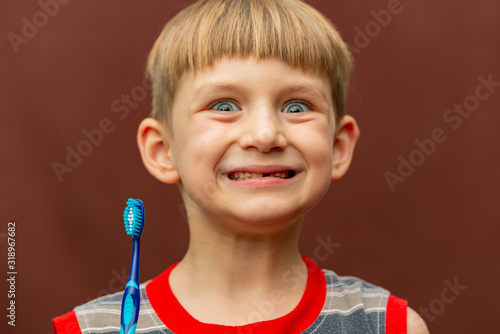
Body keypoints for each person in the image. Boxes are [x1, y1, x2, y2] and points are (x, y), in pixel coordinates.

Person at [52, 0, 429, 333]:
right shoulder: (90, 330)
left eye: (296, 107)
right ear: (162, 150)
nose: (265, 135)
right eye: (224, 106)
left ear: (338, 146)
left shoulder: (390, 326)